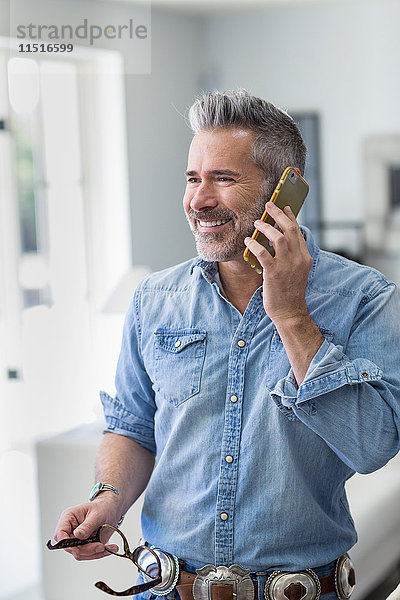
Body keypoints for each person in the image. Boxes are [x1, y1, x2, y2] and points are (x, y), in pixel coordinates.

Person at [53, 90, 400, 600]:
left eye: (224, 178)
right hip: (166, 589)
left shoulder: (365, 297)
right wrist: (108, 499)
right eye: (193, 178)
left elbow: (373, 445)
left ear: (288, 192)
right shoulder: (155, 299)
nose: (199, 199)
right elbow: (132, 426)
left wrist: (289, 314)